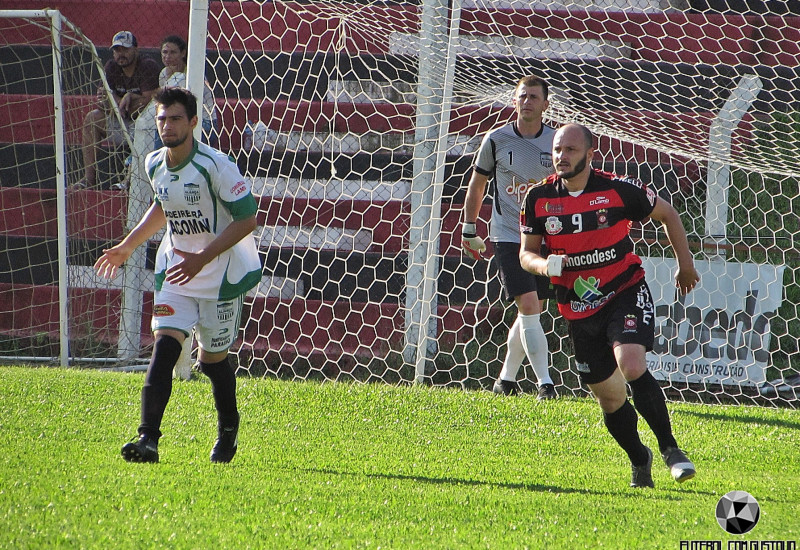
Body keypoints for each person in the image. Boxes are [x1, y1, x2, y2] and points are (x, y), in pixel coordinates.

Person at [519, 122, 699, 487]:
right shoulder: (538, 199)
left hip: (624, 291)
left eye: (570, 149)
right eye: (557, 149)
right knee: (610, 399)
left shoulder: (617, 190)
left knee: (631, 365)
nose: (561, 156)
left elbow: (668, 214)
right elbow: (526, 253)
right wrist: (544, 265)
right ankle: (640, 457)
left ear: (589, 153)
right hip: (578, 308)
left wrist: (686, 265)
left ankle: (670, 450)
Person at [94, 87, 262, 463]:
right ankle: (147, 439)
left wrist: (202, 257)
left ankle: (228, 430)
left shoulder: (216, 165)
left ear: (193, 122)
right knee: (165, 346)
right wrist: (127, 246)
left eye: (175, 119)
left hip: (220, 275)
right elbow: (163, 205)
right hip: (177, 271)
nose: (167, 126)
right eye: (161, 118)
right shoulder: (154, 162)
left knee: (211, 362)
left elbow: (247, 219)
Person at [461, 75, 558, 400]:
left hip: (546, 238)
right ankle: (546, 384)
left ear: (546, 104)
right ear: (513, 101)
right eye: (522, 96)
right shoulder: (496, 139)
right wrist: (469, 227)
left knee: (533, 309)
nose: (527, 101)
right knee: (529, 305)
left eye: (534, 97)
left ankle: (505, 380)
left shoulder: (558, 142)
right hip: (508, 236)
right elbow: (478, 185)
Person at [76, 30, 160, 189]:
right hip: (121, 122)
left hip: (143, 126)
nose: (120, 54)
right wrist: (125, 100)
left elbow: (147, 104)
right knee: (92, 118)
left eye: (125, 49)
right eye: (116, 50)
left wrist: (118, 100)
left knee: (142, 121)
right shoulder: (111, 67)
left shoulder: (147, 66)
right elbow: (102, 102)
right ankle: (89, 179)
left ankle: (130, 180)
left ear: (136, 49)